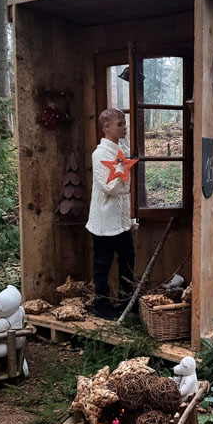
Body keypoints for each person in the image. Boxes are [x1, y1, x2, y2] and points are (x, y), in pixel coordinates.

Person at [86, 108, 137, 320]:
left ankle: (126, 302)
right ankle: (102, 304)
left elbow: (126, 187)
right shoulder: (99, 154)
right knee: (102, 264)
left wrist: (124, 177)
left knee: (127, 260)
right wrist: (123, 176)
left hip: (121, 222)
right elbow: (110, 187)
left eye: (125, 124)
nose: (124, 127)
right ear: (107, 127)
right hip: (103, 223)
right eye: (120, 124)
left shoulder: (121, 151)